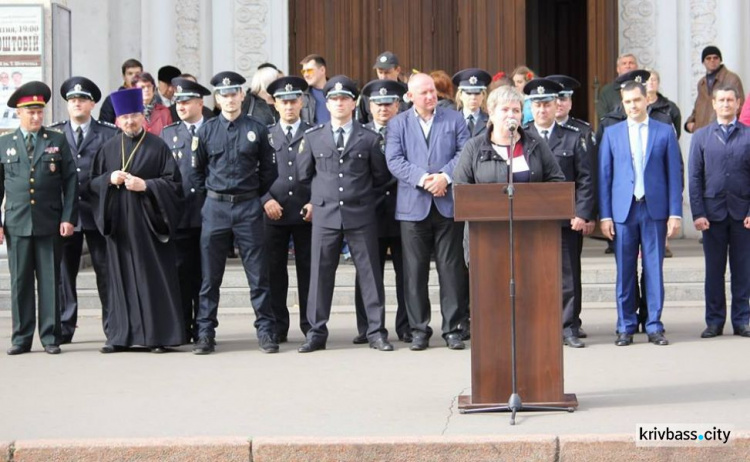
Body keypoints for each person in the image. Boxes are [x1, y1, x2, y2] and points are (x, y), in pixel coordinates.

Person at [297, 75, 394, 353]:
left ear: (354, 103)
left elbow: (380, 176)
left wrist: (360, 198)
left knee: (370, 275)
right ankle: (316, 332)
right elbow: (305, 175)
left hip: (360, 214)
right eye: (334, 99)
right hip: (326, 214)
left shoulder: (369, 138)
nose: (339, 103)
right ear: (326, 104)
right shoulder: (314, 137)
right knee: (320, 274)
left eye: (344, 98)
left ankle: (375, 331)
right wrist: (318, 200)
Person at [89, 87, 186, 353]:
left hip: (149, 225)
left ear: (143, 116)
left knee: (151, 279)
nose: (130, 121)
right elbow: (91, 185)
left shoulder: (158, 146)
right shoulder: (107, 148)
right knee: (119, 281)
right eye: (124, 117)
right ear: (118, 121)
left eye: (134, 115)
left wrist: (147, 185)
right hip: (119, 225)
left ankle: (158, 337)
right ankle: (120, 336)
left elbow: (175, 185)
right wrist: (108, 180)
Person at [191, 71, 279, 354]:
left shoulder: (257, 128)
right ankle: (205, 333)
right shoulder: (206, 131)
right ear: (217, 99)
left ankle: (266, 332)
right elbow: (196, 173)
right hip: (215, 207)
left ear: (242, 95)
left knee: (258, 275)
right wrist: (211, 199)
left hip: (248, 208)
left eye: (234, 94)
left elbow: (269, 170)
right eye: (224, 95)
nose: (229, 99)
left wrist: (252, 195)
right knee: (209, 277)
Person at [385, 73, 471, 351]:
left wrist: (444, 177)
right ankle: (419, 328)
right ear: (410, 97)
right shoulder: (398, 124)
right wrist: (425, 179)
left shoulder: (454, 119)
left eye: (432, 91)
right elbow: (395, 161)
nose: (430, 96)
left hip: (447, 205)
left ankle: (453, 329)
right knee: (414, 272)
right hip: (413, 207)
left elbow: (464, 152)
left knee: (451, 270)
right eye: (423, 93)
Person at [598, 79, 683, 347]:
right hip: (623, 211)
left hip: (654, 209)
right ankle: (625, 325)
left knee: (653, 269)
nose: (633, 106)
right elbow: (604, 177)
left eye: (637, 100)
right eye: (627, 102)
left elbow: (674, 174)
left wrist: (675, 213)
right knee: (624, 270)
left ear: (647, 99)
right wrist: (605, 215)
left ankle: (654, 324)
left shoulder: (664, 131)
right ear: (622, 104)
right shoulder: (612, 133)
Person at [0, 81, 78, 355]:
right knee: (20, 282)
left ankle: (50, 337)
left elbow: (70, 182)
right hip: (17, 223)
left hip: (49, 222)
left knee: (49, 280)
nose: (36, 117)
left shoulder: (56, 141)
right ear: (18, 114)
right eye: (30, 112)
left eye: (39, 112)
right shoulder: (4, 144)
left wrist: (68, 217)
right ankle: (21, 338)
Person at [522, 78, 594, 348]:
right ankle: (537, 324)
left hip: (566, 220)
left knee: (568, 276)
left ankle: (568, 327)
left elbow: (586, 179)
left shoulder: (574, 137)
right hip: (531, 220)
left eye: (547, 104)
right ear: (531, 107)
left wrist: (581, 213)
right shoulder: (522, 136)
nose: (542, 110)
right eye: (537, 105)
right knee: (531, 274)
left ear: (556, 106)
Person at [49, 77, 118, 344]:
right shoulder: (55, 134)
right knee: (65, 273)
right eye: (72, 100)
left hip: (99, 213)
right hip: (67, 215)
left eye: (82, 99)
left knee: (105, 271)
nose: (76, 103)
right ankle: (65, 326)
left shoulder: (108, 133)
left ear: (92, 104)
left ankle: (113, 327)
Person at [688, 84, 750, 339]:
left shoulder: (748, 135)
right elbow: (694, 177)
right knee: (714, 271)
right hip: (711, 216)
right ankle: (714, 321)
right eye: (721, 100)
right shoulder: (701, 136)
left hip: (741, 214)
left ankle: (742, 320)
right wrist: (698, 213)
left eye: (730, 100)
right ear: (713, 104)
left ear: (738, 104)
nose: (725, 104)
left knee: (743, 270)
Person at [352, 79, 410, 344]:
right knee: (367, 273)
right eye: (377, 104)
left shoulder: (409, 131)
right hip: (369, 213)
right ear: (368, 105)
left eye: (388, 103)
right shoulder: (359, 133)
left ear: (398, 105)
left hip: (403, 211)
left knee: (407, 273)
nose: (383, 109)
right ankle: (367, 327)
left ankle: (407, 325)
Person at [159, 77, 211, 342]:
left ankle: (204, 329)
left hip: (208, 215)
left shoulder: (212, 130)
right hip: (179, 216)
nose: (181, 106)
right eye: (178, 101)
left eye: (187, 101)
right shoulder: (168, 135)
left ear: (200, 103)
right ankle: (182, 327)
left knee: (205, 277)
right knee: (180, 275)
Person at [262, 76, 313, 343]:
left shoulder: (315, 133)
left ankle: (310, 326)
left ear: (301, 102)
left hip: (306, 213)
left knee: (308, 272)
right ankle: (277, 327)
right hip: (274, 212)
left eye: (293, 100)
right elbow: (253, 172)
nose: (289, 106)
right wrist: (265, 199)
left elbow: (324, 173)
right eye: (283, 101)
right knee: (274, 273)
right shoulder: (266, 135)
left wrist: (315, 201)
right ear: (275, 105)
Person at [685, 46, 744, 134]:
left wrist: (728, 129)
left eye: (715, 58)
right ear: (703, 62)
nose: (712, 60)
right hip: (702, 134)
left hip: (723, 134)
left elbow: (739, 107)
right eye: (708, 58)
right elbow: (698, 107)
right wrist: (690, 123)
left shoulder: (731, 79)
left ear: (720, 60)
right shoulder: (702, 83)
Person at [356, 51, 407, 123]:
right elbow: (360, 121)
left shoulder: (407, 92)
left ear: (398, 70)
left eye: (387, 72)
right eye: (380, 72)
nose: (383, 77)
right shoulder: (369, 93)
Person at [99, 58, 143, 124]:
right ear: (123, 77)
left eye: (137, 74)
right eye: (130, 74)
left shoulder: (149, 97)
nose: (134, 77)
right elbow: (105, 127)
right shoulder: (112, 100)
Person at [596, 53, 638, 120]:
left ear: (636, 67)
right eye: (624, 63)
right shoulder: (607, 91)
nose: (628, 66)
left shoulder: (643, 88)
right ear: (618, 69)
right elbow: (603, 116)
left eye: (631, 63)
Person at [452, 69, 492, 137]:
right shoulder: (451, 121)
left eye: (477, 93)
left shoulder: (491, 121)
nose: (473, 97)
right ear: (460, 95)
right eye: (468, 93)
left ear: (483, 95)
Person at [299, 54, 330, 124]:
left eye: (309, 71)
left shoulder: (336, 92)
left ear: (322, 70)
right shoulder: (302, 96)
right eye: (303, 72)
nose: (306, 75)